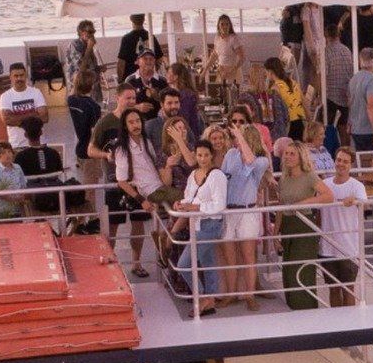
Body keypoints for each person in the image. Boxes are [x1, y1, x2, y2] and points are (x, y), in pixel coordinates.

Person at [219, 113, 271, 309]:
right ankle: (232, 294)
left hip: (248, 211)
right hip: (228, 210)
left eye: (243, 138)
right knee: (230, 257)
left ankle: (250, 295)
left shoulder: (261, 161)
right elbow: (223, 179)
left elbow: (248, 160)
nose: (237, 141)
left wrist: (239, 136)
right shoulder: (230, 155)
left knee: (248, 256)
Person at [105, 106, 163, 279]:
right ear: (124, 125)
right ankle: (109, 264)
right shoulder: (121, 148)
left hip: (144, 189)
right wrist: (141, 199)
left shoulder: (146, 141)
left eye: (138, 121)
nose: (136, 125)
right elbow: (121, 181)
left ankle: (136, 264)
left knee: (139, 227)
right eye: (131, 122)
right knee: (112, 228)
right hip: (122, 191)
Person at [173, 140, 227, 314]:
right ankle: (209, 300)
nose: (202, 158)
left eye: (205, 155)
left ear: (211, 155)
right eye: (199, 155)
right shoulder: (193, 174)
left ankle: (203, 298)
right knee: (208, 262)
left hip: (211, 225)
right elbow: (189, 197)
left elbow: (219, 205)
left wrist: (194, 208)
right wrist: (181, 204)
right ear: (195, 155)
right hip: (197, 224)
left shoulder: (217, 175)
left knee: (183, 264)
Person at [276, 139, 323, 310]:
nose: (287, 157)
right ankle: (293, 311)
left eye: (292, 154)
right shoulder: (284, 178)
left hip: (304, 225)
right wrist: (275, 234)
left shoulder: (309, 176)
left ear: (300, 157)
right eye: (286, 153)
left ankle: (307, 311)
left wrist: (303, 203)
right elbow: (280, 207)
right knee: (288, 272)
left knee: (301, 271)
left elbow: (328, 196)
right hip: (287, 226)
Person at [318, 146, 367, 305]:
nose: (341, 164)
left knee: (348, 288)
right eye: (339, 160)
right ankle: (336, 323)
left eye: (345, 161)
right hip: (327, 246)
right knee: (333, 288)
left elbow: (365, 206)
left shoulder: (357, 186)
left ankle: (350, 325)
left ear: (351, 165)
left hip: (349, 247)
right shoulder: (324, 184)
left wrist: (354, 201)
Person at [347, 46, 373, 156]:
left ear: (360, 60)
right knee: (372, 162)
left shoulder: (354, 79)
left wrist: (349, 122)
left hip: (356, 128)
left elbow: (351, 103)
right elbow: (371, 106)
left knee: (361, 160)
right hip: (369, 130)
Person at [66, 46, 103, 164]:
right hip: (90, 150)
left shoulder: (72, 100)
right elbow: (95, 132)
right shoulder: (93, 106)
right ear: (92, 86)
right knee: (93, 179)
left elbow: (72, 92)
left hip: (80, 147)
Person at [321, 18, 353, 150]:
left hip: (331, 95)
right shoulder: (347, 50)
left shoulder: (326, 52)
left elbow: (323, 75)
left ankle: (331, 153)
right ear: (338, 34)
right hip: (345, 94)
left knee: (329, 129)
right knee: (343, 128)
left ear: (326, 35)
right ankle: (346, 152)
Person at [0, 62, 49, 135]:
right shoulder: (5, 96)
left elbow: (44, 117)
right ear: (10, 77)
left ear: (26, 75)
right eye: (16, 76)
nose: (19, 78)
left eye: (21, 75)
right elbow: (7, 120)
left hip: (38, 142)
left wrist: (16, 118)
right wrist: (32, 114)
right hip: (17, 144)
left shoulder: (36, 92)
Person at [207, 14, 246, 101]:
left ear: (230, 25)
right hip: (221, 71)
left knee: (233, 97)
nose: (225, 26)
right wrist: (205, 70)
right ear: (218, 26)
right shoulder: (217, 38)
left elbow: (242, 57)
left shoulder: (234, 39)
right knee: (220, 96)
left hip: (233, 71)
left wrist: (232, 70)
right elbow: (214, 54)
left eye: (227, 24)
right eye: (222, 24)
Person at [116, 14, 162, 83]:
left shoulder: (126, 39)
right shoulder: (150, 37)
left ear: (131, 20)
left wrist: (120, 80)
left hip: (130, 78)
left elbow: (121, 63)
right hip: (148, 78)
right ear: (143, 19)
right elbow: (159, 59)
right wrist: (152, 70)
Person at [0, 143, 27, 219]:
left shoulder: (18, 168)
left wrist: (22, 198)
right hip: (2, 212)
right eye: (3, 153)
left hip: (18, 211)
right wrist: (15, 200)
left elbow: (23, 185)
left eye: (9, 152)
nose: (7, 155)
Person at [169, 58, 205, 138]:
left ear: (175, 77)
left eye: (169, 73)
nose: (167, 75)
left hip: (188, 134)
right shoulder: (181, 93)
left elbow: (184, 118)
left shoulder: (186, 95)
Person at [64, 20, 100, 91]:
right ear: (81, 32)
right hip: (79, 86)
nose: (92, 34)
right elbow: (81, 68)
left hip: (91, 84)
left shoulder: (88, 44)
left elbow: (91, 67)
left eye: (93, 31)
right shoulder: (75, 45)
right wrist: (89, 48)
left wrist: (99, 68)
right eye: (89, 32)